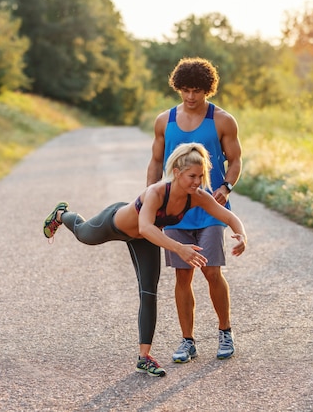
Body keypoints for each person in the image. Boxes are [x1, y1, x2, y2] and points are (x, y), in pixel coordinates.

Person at [43, 143, 247, 377]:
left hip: (145, 239)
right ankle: (61, 214)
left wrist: (241, 234)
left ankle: (144, 357)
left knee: (148, 291)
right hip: (114, 224)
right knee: (82, 234)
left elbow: (227, 215)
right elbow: (145, 226)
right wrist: (180, 248)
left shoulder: (196, 196)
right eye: (192, 176)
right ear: (178, 173)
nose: (197, 182)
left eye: (201, 176)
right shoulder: (157, 192)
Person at [147, 57, 242, 363]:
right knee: (183, 276)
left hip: (209, 207)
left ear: (208, 90)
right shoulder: (165, 121)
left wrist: (226, 187)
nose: (190, 96)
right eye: (185, 90)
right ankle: (187, 340)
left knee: (212, 271)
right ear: (178, 87)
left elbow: (236, 159)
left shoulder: (223, 120)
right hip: (174, 210)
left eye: (197, 90)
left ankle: (224, 330)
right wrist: (148, 196)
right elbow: (155, 161)